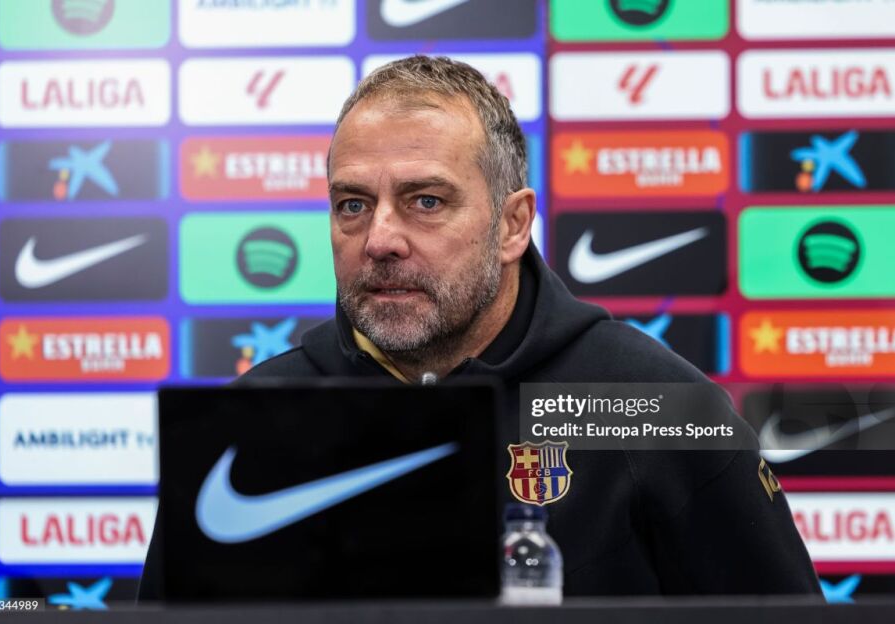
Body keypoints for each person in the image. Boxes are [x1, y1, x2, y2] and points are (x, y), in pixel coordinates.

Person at [139, 56, 820, 598]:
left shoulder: (652, 405)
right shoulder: (254, 416)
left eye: (425, 201)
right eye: (352, 204)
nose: (379, 239)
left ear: (512, 224)